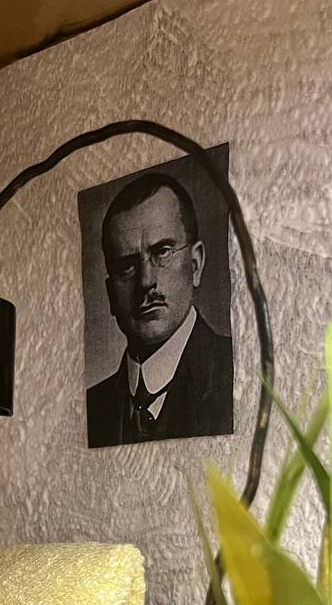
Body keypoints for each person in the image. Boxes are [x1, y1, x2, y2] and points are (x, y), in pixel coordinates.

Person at [86, 171, 233, 448]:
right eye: (126, 266)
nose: (145, 281)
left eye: (162, 252)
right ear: (110, 294)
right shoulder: (92, 407)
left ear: (195, 264)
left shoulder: (236, 373)